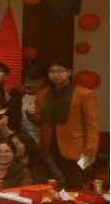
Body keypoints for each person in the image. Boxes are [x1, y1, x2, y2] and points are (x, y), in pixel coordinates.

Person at [29, 58, 99, 189]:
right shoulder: (42, 94)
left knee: (76, 187)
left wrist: (90, 152)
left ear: (69, 72)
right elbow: (37, 121)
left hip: (77, 150)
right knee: (50, 188)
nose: (55, 74)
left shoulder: (85, 93)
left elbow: (92, 125)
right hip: (49, 148)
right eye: (52, 71)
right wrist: (30, 114)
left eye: (60, 71)